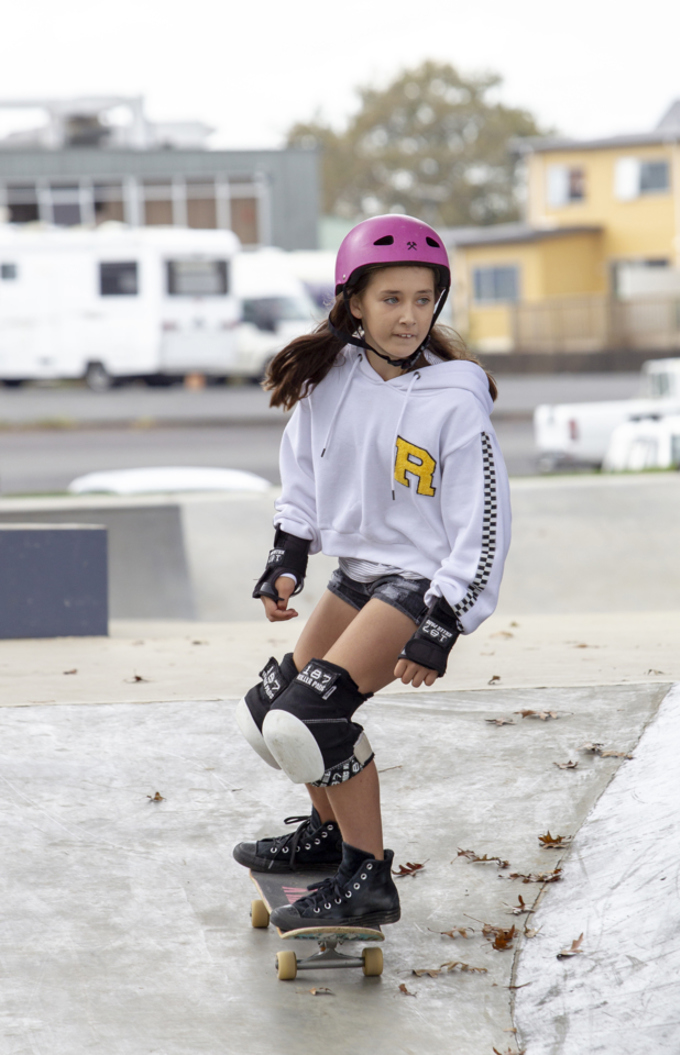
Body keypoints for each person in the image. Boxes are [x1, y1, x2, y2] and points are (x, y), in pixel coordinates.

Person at [232, 215, 511, 933]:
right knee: (270, 715)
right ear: (353, 301)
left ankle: (367, 876)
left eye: (424, 299)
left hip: (422, 582)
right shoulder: (330, 381)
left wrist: (442, 623)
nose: (410, 316)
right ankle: (328, 834)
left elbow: (484, 528)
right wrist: (286, 559)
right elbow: (301, 477)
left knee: (314, 718)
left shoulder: (455, 401)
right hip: (358, 575)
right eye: (392, 299)